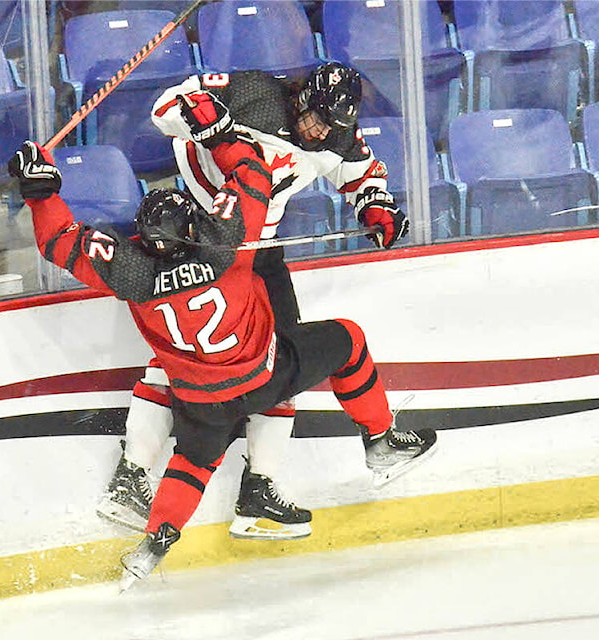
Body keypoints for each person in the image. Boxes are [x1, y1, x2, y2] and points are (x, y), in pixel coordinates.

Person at [8, 90, 434, 588]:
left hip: (200, 400)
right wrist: (219, 134)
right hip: (263, 378)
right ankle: (380, 441)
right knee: (349, 341)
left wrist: (39, 193)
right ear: (194, 226)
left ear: (143, 240)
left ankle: (155, 542)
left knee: (191, 463)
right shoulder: (225, 247)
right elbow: (253, 172)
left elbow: (59, 241)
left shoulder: (131, 273)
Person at [97, 62, 415, 540]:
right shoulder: (253, 93)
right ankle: (130, 478)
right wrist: (201, 115)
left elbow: (362, 173)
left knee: (282, 363)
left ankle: (258, 492)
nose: (320, 132)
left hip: (258, 255)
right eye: (316, 119)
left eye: (332, 126)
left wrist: (376, 205)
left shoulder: (337, 131)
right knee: (178, 363)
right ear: (300, 97)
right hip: (196, 244)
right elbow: (166, 109)